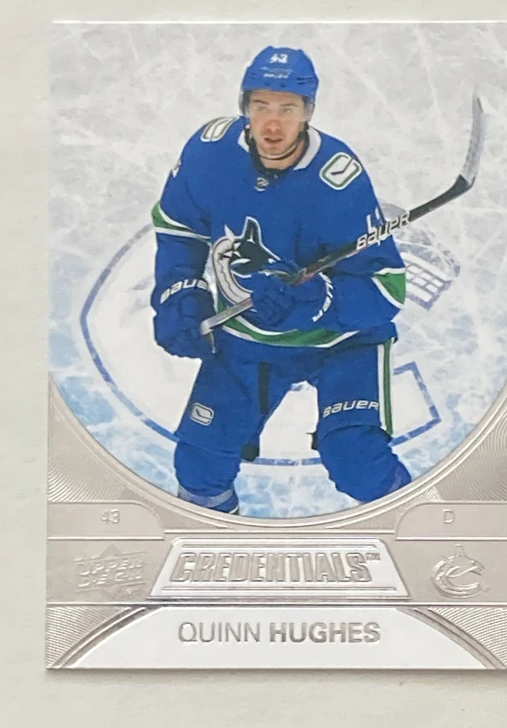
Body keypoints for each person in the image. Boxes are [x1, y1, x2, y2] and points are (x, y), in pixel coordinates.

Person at [150, 45, 412, 515]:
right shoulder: (210, 153)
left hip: (341, 343)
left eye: (287, 109)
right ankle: (213, 546)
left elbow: (386, 289)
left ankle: (422, 533)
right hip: (249, 338)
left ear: (308, 112)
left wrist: (316, 299)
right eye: (261, 106)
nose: (273, 124)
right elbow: (179, 229)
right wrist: (179, 294)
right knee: (199, 469)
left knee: (357, 462)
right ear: (244, 107)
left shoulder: (337, 180)